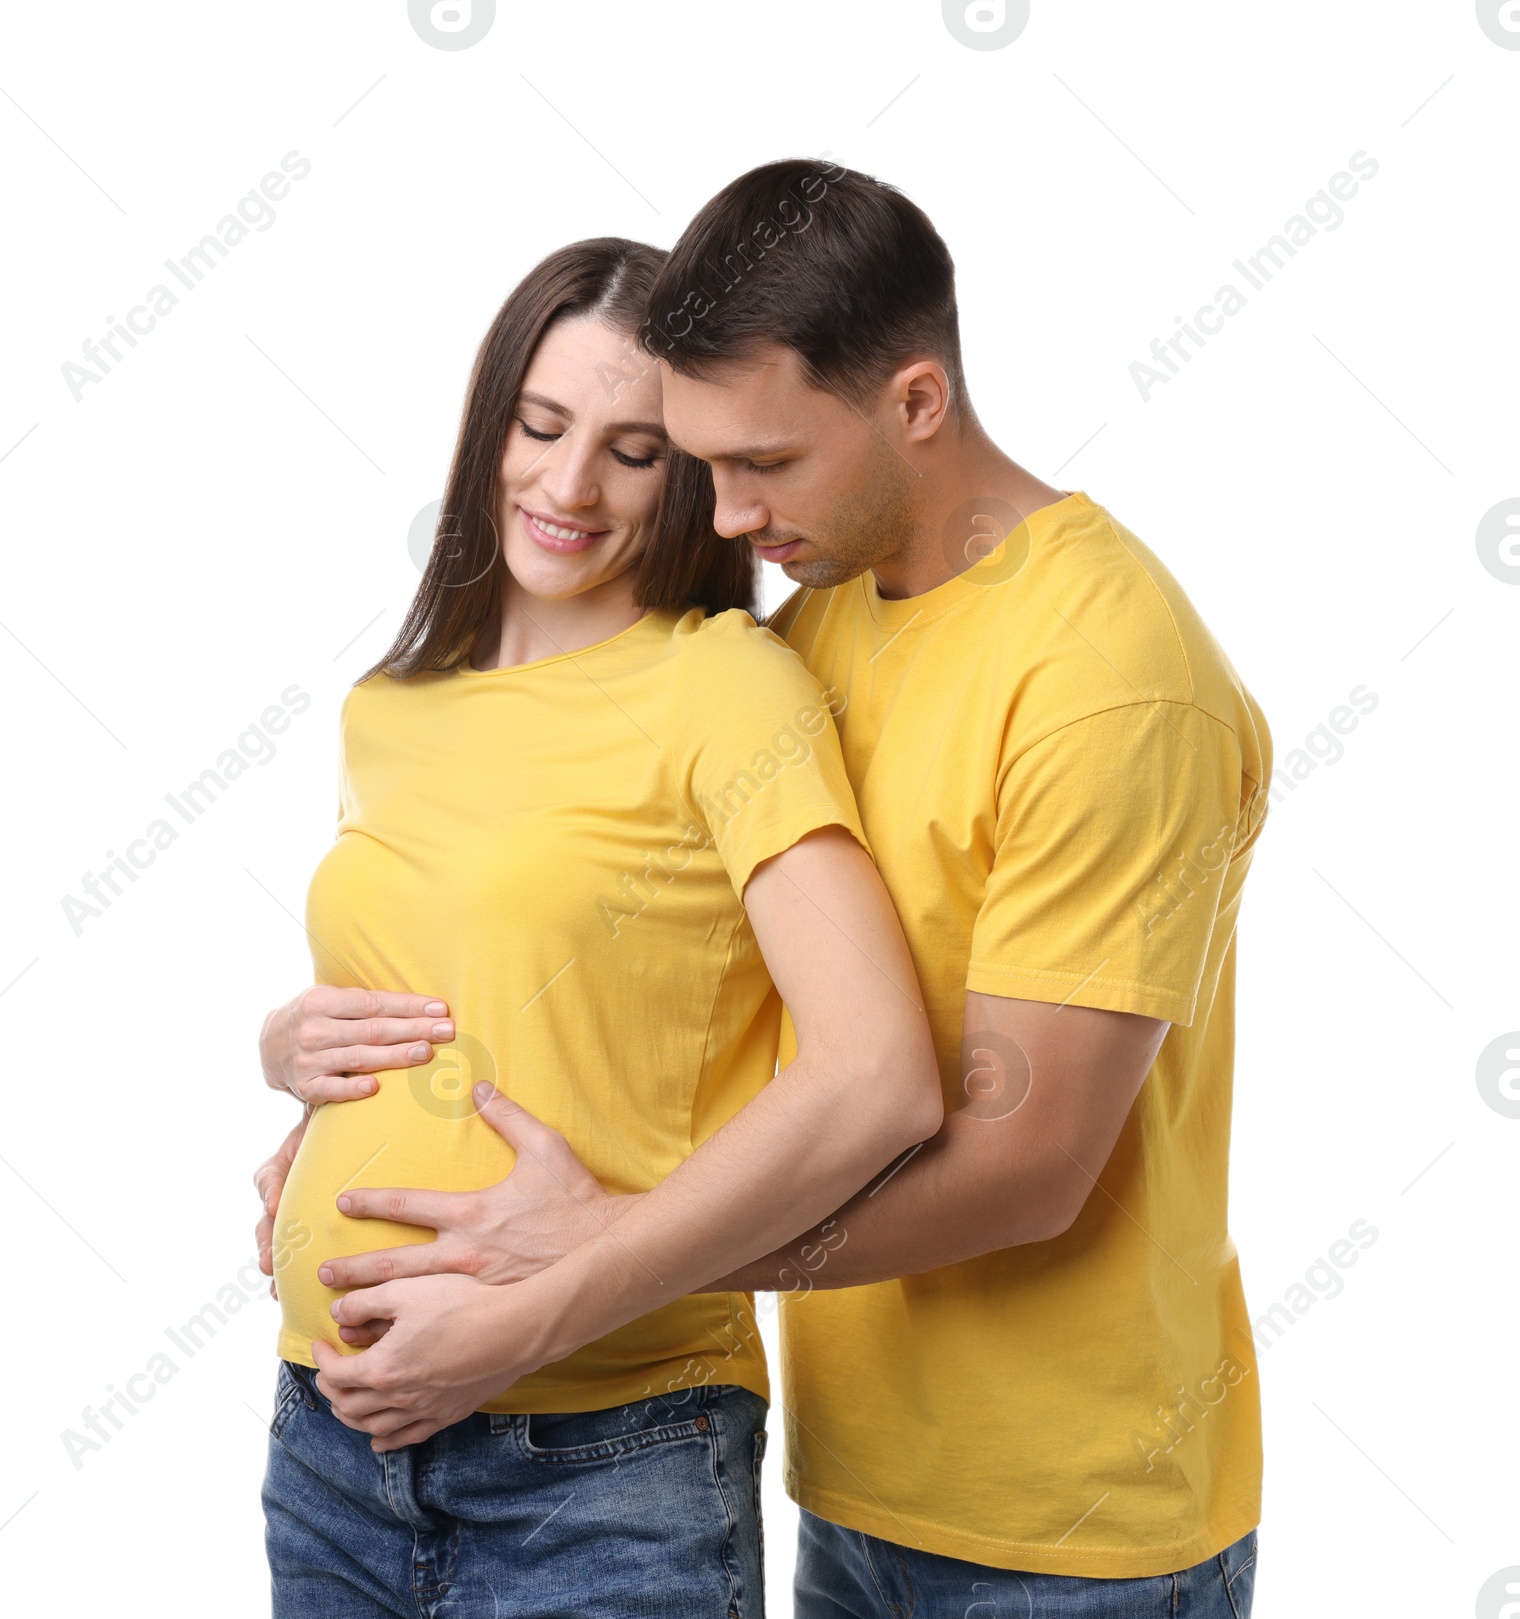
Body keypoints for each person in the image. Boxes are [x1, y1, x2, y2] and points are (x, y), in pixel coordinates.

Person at [260, 162, 1271, 1617]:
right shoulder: (824, 621)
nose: (723, 517)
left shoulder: (1110, 678)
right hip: (861, 1478)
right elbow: (647, 969)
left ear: (915, 403)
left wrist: (604, 1252)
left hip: (1078, 1524)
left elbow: (1029, 1165)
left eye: (764, 464)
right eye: (705, 461)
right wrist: (331, 1102)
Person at [253, 234, 943, 1619]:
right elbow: (495, 1003)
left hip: (605, 1463)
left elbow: (881, 1075)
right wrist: (298, 1079)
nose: (568, 485)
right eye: (543, 424)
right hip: (330, 1441)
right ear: (490, 419)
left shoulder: (724, 690)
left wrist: (527, 1307)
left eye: (634, 451)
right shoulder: (390, 709)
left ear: (691, 473)